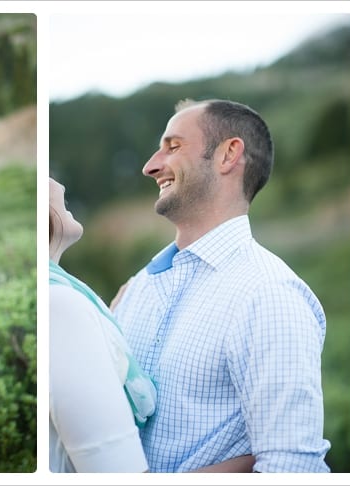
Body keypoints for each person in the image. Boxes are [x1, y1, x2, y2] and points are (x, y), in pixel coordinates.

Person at [111, 99, 331, 472]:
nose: (150, 166)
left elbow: (292, 469)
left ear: (229, 155)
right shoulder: (137, 288)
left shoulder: (269, 295)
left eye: (173, 146)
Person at [49, 176, 255, 473]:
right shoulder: (63, 304)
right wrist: (251, 461)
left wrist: (102, 320)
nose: (149, 168)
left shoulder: (70, 299)